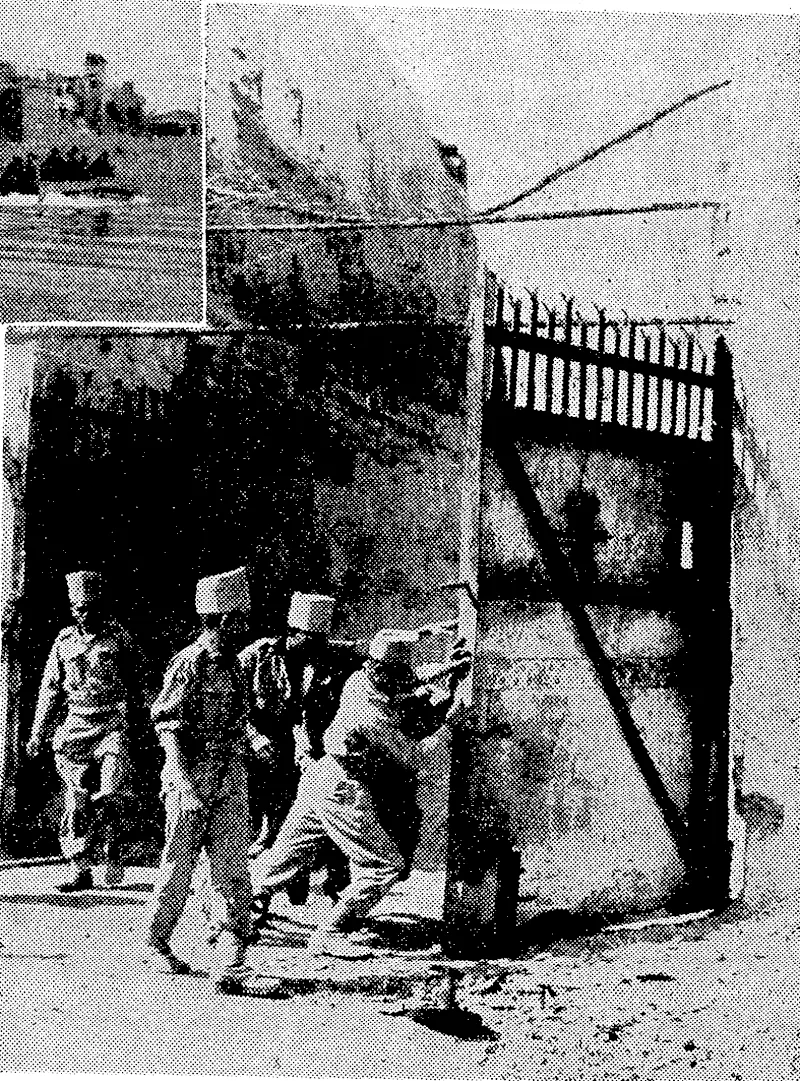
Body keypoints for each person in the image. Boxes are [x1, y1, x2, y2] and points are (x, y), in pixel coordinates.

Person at [250, 628, 471, 959]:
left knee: (287, 857)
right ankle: (332, 930)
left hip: (318, 778)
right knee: (385, 865)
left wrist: (445, 669)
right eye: (397, 673)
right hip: (346, 789)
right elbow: (411, 756)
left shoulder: (359, 681)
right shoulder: (372, 716)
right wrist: (451, 717)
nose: (404, 679)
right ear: (382, 671)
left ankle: (232, 909)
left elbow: (404, 688)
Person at [142, 567, 280, 998]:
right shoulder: (190, 663)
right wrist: (185, 782)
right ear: (219, 620)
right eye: (238, 618)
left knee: (232, 865)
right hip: (192, 775)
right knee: (178, 866)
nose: (244, 626)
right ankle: (158, 941)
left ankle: (232, 956)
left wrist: (255, 739)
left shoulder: (234, 666)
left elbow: (239, 719)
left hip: (230, 774)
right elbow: (168, 725)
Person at [26, 571, 145, 891]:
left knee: (111, 792)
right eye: (79, 608)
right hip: (75, 725)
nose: (85, 614)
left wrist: (145, 722)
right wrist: (39, 732)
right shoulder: (63, 641)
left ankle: (114, 855)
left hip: (112, 724)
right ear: (71, 608)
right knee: (76, 798)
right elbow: (50, 688)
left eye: (91, 607)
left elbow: (139, 683)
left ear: (101, 605)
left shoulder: (118, 637)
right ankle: (79, 867)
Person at [238, 592, 362, 870]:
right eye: (310, 641)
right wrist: (256, 739)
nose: (316, 649)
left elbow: (373, 651)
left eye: (321, 642)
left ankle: (294, 869)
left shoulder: (325, 654)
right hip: (259, 744)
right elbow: (234, 706)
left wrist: (430, 634)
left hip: (303, 747)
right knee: (256, 812)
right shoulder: (258, 656)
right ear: (293, 633)